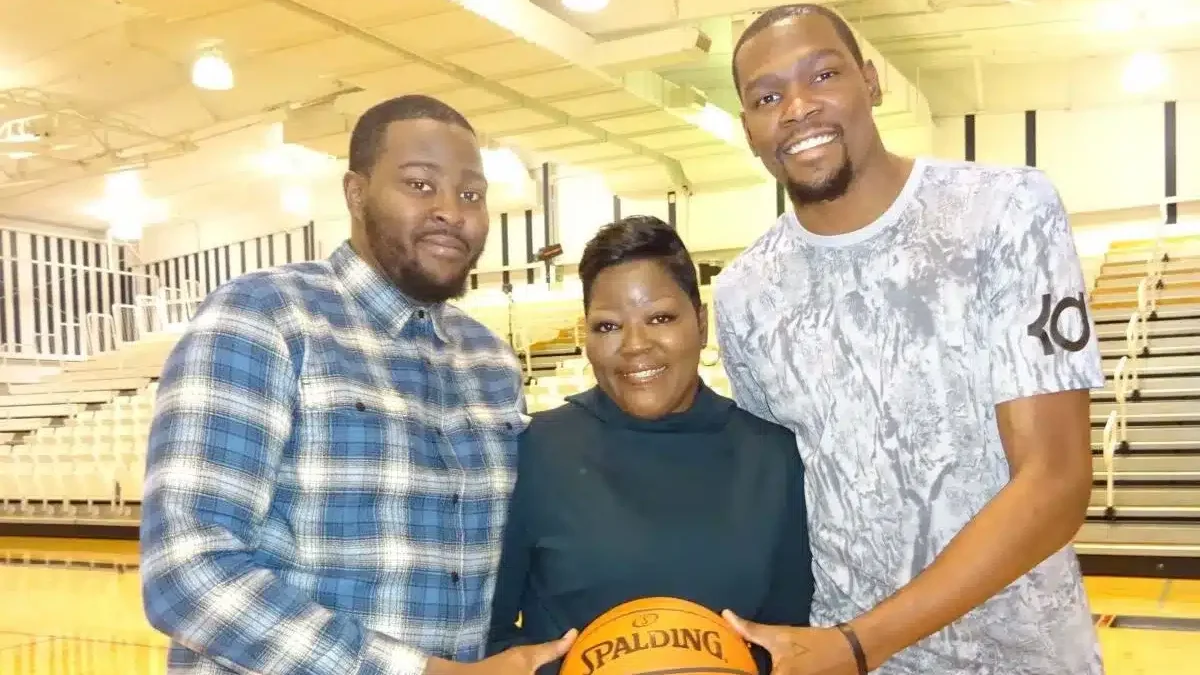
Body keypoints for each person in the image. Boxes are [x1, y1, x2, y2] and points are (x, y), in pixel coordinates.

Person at [713, 5, 1104, 675]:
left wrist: (862, 642)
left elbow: (1056, 480)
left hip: (1022, 656)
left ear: (871, 82)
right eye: (767, 96)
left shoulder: (1006, 212)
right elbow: (783, 499)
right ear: (748, 127)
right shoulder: (742, 294)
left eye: (824, 74)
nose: (797, 108)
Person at [140, 94, 574, 675]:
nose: (451, 210)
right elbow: (186, 572)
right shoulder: (264, 315)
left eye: (471, 194)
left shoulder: (489, 362)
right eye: (421, 184)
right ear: (356, 192)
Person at [486, 215, 813, 675]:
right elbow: (490, 634)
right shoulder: (532, 452)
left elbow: (792, 639)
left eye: (660, 318)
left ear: (700, 322)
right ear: (587, 338)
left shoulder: (775, 458)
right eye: (608, 326)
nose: (635, 345)